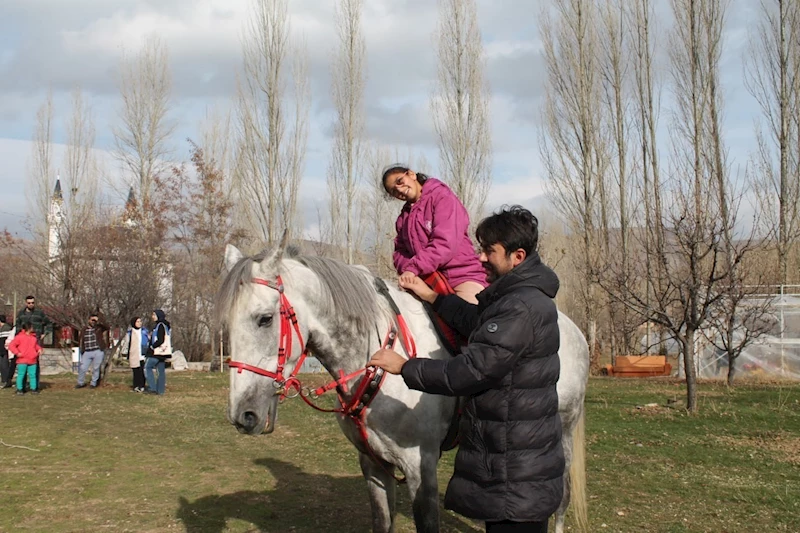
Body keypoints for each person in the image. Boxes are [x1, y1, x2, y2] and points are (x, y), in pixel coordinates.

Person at [368, 206, 564, 533]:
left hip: (514, 470)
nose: (481, 258)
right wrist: (433, 296)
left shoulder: (519, 307)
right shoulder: (515, 299)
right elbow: (475, 322)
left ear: (517, 256)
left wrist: (404, 366)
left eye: (489, 251)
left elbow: (468, 373)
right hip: (515, 460)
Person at [382, 165, 487, 304]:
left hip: (461, 276)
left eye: (399, 181)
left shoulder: (442, 197)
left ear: (411, 175)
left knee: (469, 318)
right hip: (426, 281)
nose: (399, 190)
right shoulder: (403, 219)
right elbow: (399, 253)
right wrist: (408, 271)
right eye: (394, 191)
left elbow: (445, 243)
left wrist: (413, 268)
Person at [75, 312, 109, 389]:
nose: (93, 322)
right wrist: (82, 350)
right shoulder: (84, 329)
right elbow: (81, 340)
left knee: (96, 368)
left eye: (94, 320)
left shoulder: (99, 328)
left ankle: (93, 383)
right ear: (88, 320)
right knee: (83, 367)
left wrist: (99, 321)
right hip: (87, 351)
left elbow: (107, 327)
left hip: (98, 351)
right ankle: (80, 383)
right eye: (92, 320)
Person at [8, 322, 43, 395]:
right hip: (22, 359)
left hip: (32, 359)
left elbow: (35, 346)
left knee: (32, 375)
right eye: (32, 327)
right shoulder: (19, 337)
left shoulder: (33, 338)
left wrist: (39, 349)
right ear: (29, 328)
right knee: (21, 375)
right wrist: (17, 353)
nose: (33, 329)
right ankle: (19, 389)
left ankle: (34, 388)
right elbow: (12, 345)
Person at [144, 309, 171, 395]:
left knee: (147, 367)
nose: (152, 317)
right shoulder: (165, 326)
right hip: (163, 353)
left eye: (154, 315)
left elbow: (160, 340)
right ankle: (160, 391)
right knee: (160, 371)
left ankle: (152, 388)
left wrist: (152, 346)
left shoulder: (159, 326)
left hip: (156, 352)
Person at [125, 317, 148, 392]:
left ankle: (142, 386)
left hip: (142, 354)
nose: (139, 323)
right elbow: (127, 344)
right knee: (135, 371)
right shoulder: (130, 332)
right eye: (137, 322)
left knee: (141, 371)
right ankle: (136, 386)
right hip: (134, 354)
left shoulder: (144, 331)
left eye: (140, 321)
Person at [0, 316, 15, 389]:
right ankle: (6, 380)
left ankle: (5, 381)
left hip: (4, 351)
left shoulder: (5, 329)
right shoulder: (6, 328)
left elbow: (4, 341)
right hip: (4, 350)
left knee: (4, 366)